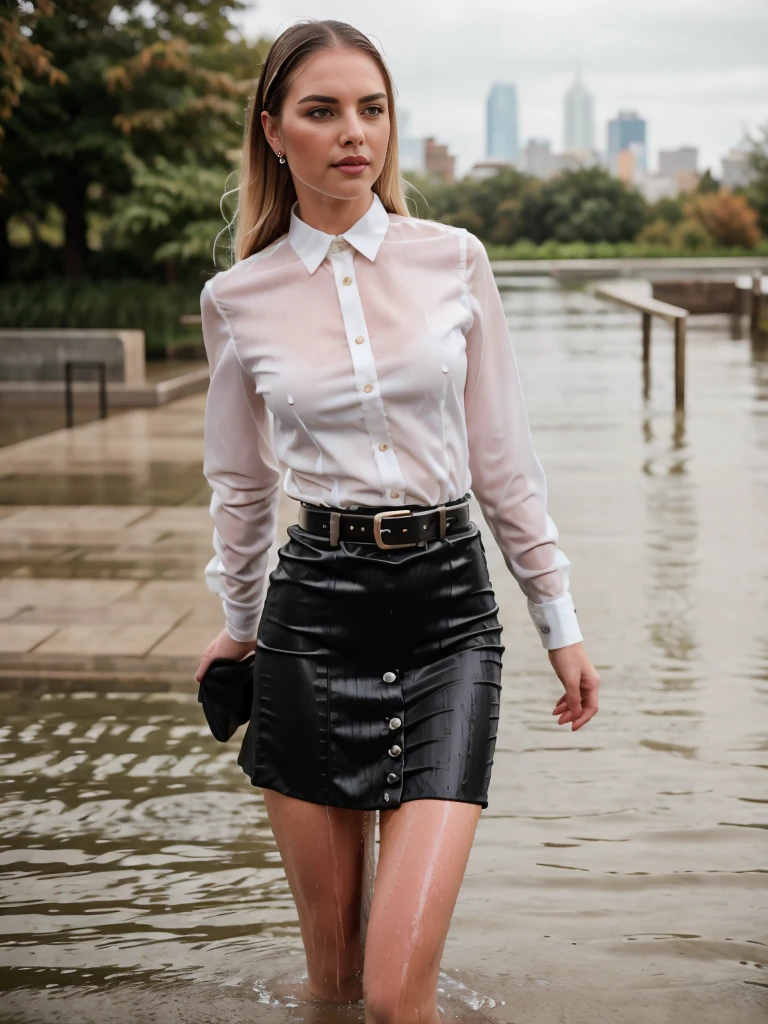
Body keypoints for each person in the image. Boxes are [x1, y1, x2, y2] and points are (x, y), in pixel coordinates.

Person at [194, 17, 601, 1024]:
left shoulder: (455, 260)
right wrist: (240, 624)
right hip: (310, 617)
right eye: (322, 111)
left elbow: (504, 457)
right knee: (331, 982)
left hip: (448, 621)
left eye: (371, 110)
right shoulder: (237, 298)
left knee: (393, 988)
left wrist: (559, 617)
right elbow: (241, 487)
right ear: (274, 131)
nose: (353, 134)